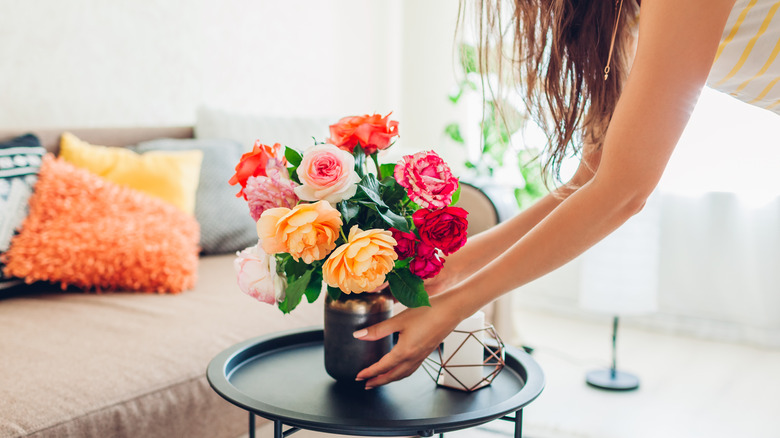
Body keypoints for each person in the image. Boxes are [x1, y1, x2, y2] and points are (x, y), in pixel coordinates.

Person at [354, 0, 780, 389]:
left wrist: (454, 307)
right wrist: (457, 266)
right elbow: (588, 179)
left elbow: (624, 191)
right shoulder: (619, 14)